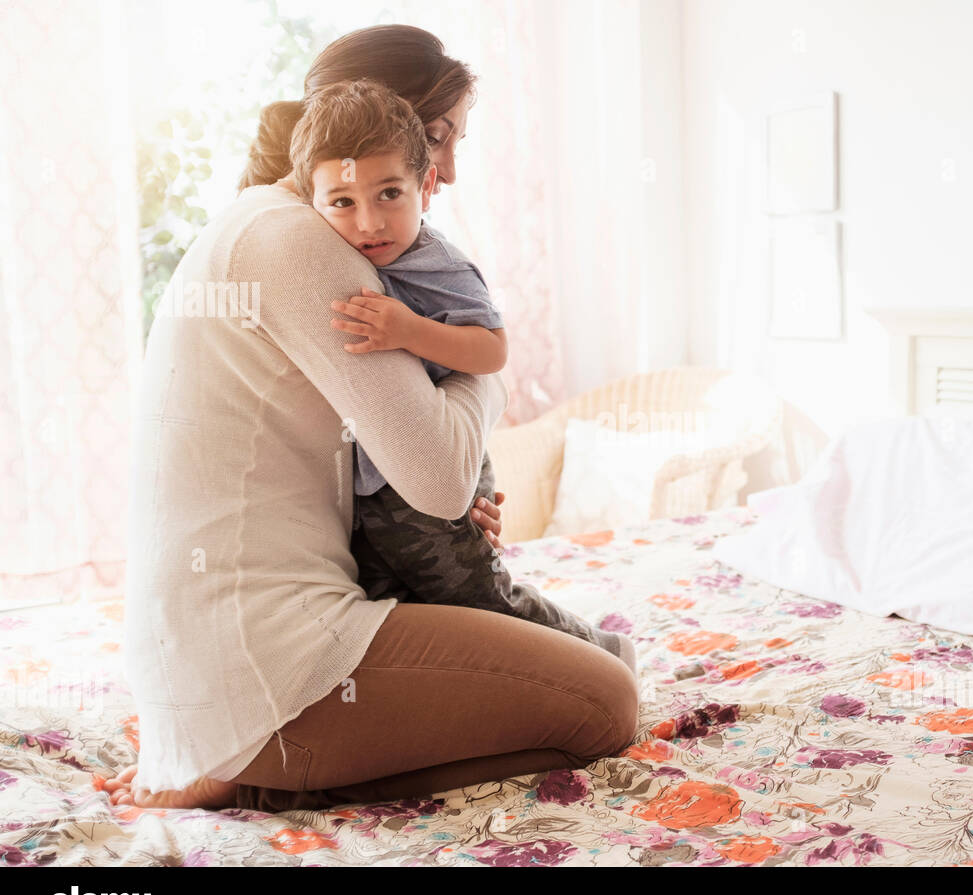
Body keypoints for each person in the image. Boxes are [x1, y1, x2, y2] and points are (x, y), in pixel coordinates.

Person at [103, 24, 639, 813]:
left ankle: (247, 761)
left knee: (571, 659)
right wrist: (488, 363)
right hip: (263, 670)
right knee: (608, 702)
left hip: (215, 661)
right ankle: (258, 779)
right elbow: (442, 482)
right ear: (381, 127)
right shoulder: (299, 245)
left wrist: (444, 437)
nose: (447, 170)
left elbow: (394, 464)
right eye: (438, 139)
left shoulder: (264, 220)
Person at [290, 78, 632, 667]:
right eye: (343, 202)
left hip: (432, 476)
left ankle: (601, 655)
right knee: (389, 607)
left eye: (389, 194)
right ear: (311, 201)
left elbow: (492, 351)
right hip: (372, 491)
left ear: (424, 187)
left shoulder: (436, 262)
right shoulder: (322, 251)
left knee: (481, 597)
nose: (369, 222)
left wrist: (408, 331)